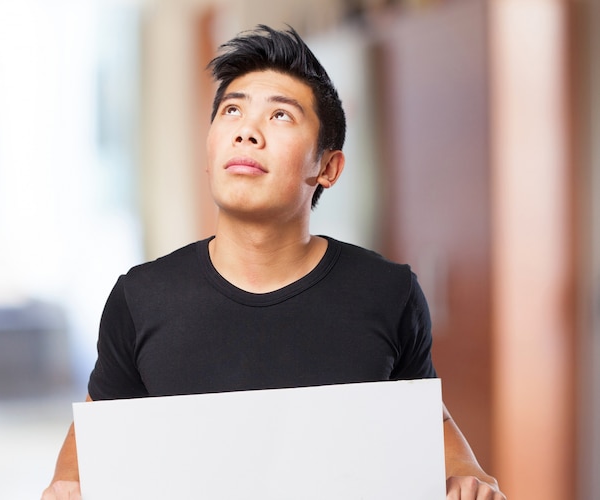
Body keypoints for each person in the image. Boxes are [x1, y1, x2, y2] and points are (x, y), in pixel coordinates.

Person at [42, 25, 506, 500]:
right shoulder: (140, 297)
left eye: (281, 115)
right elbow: (93, 438)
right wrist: (67, 485)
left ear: (327, 168)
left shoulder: (388, 292)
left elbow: (429, 422)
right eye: (232, 110)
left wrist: (470, 475)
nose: (246, 130)